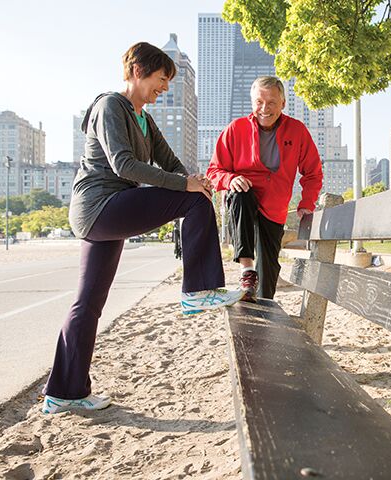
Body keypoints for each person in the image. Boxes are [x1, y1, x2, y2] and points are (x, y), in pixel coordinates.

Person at [41, 42, 243, 415]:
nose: (164, 88)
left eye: (167, 82)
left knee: (88, 304)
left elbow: (169, 162)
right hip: (99, 207)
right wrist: (187, 187)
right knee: (193, 201)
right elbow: (123, 165)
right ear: (137, 71)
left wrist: (193, 177)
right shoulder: (109, 106)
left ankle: (64, 392)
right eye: (161, 79)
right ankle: (199, 290)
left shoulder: (144, 120)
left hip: (113, 212)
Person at [207, 76, 323, 302]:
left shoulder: (297, 130)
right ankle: (246, 269)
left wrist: (306, 204)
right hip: (242, 200)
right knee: (240, 191)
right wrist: (230, 179)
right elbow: (214, 172)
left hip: (275, 208)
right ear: (252, 103)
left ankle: (263, 311)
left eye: (271, 102)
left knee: (268, 275)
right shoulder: (235, 129)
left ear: (283, 104)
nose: (264, 108)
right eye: (259, 102)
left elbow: (313, 173)